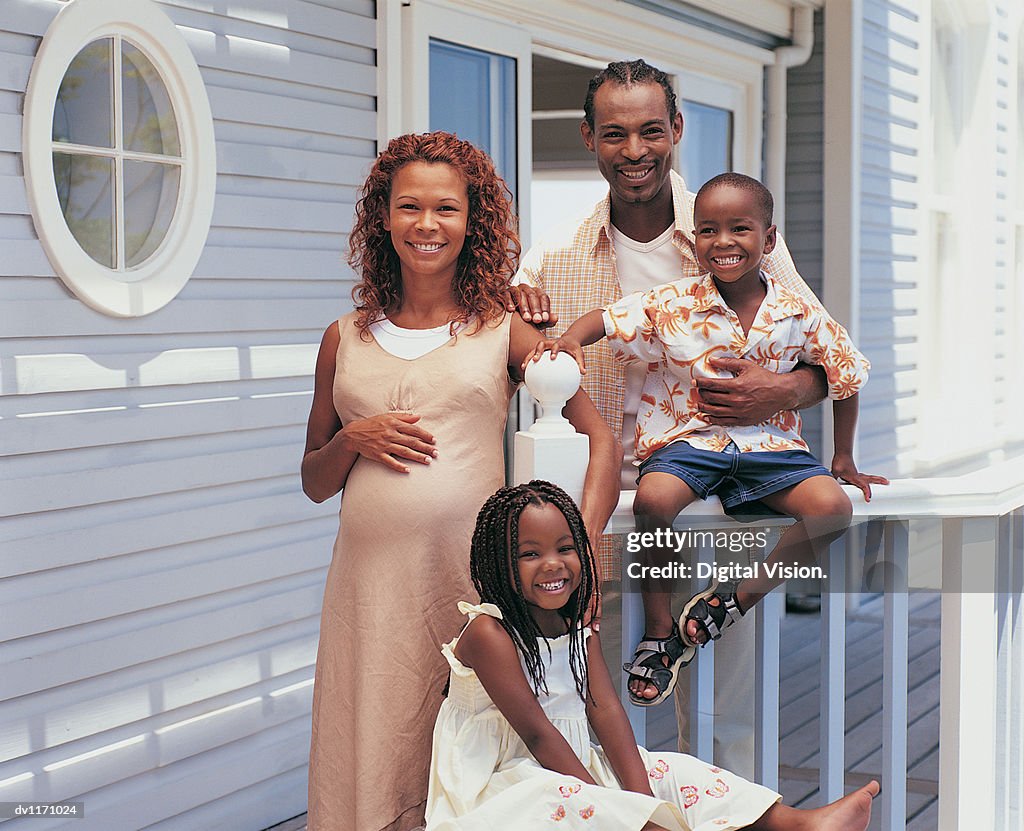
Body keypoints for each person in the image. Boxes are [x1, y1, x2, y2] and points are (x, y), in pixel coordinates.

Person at [509, 57, 834, 771]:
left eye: (651, 131)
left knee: (724, 717)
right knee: (582, 706)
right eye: (616, 133)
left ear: (677, 130)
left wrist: (774, 393)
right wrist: (516, 313)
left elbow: (823, 359)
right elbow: (511, 360)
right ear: (589, 136)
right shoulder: (554, 257)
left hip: (723, 504)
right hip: (592, 513)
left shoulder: (733, 227)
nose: (635, 151)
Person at [301, 132, 619, 831]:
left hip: (469, 582)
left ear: (471, 220)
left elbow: (599, 439)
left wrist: (585, 551)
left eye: (446, 208)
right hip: (370, 586)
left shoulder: (504, 328)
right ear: (382, 216)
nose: (426, 224)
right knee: (374, 736)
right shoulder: (343, 336)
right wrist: (354, 437)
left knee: (470, 745)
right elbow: (314, 479)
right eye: (408, 206)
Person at [527, 172, 889, 706]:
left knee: (832, 508)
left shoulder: (798, 311)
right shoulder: (674, 302)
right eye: (708, 230)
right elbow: (605, 318)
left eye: (739, 229)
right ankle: (659, 633)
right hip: (688, 442)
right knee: (653, 500)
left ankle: (729, 602)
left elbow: (846, 374)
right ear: (693, 240)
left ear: (769, 239)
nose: (723, 242)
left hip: (772, 450)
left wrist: (843, 457)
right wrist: (570, 341)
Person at [423, 479, 879, 831]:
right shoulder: (489, 631)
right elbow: (538, 736)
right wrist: (624, 810)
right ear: (496, 563)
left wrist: (638, 800)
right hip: (502, 781)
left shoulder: (577, 625)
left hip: (572, 762)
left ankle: (799, 823)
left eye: (565, 548)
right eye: (529, 553)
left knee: (677, 771)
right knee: (570, 797)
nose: (553, 564)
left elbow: (605, 712)